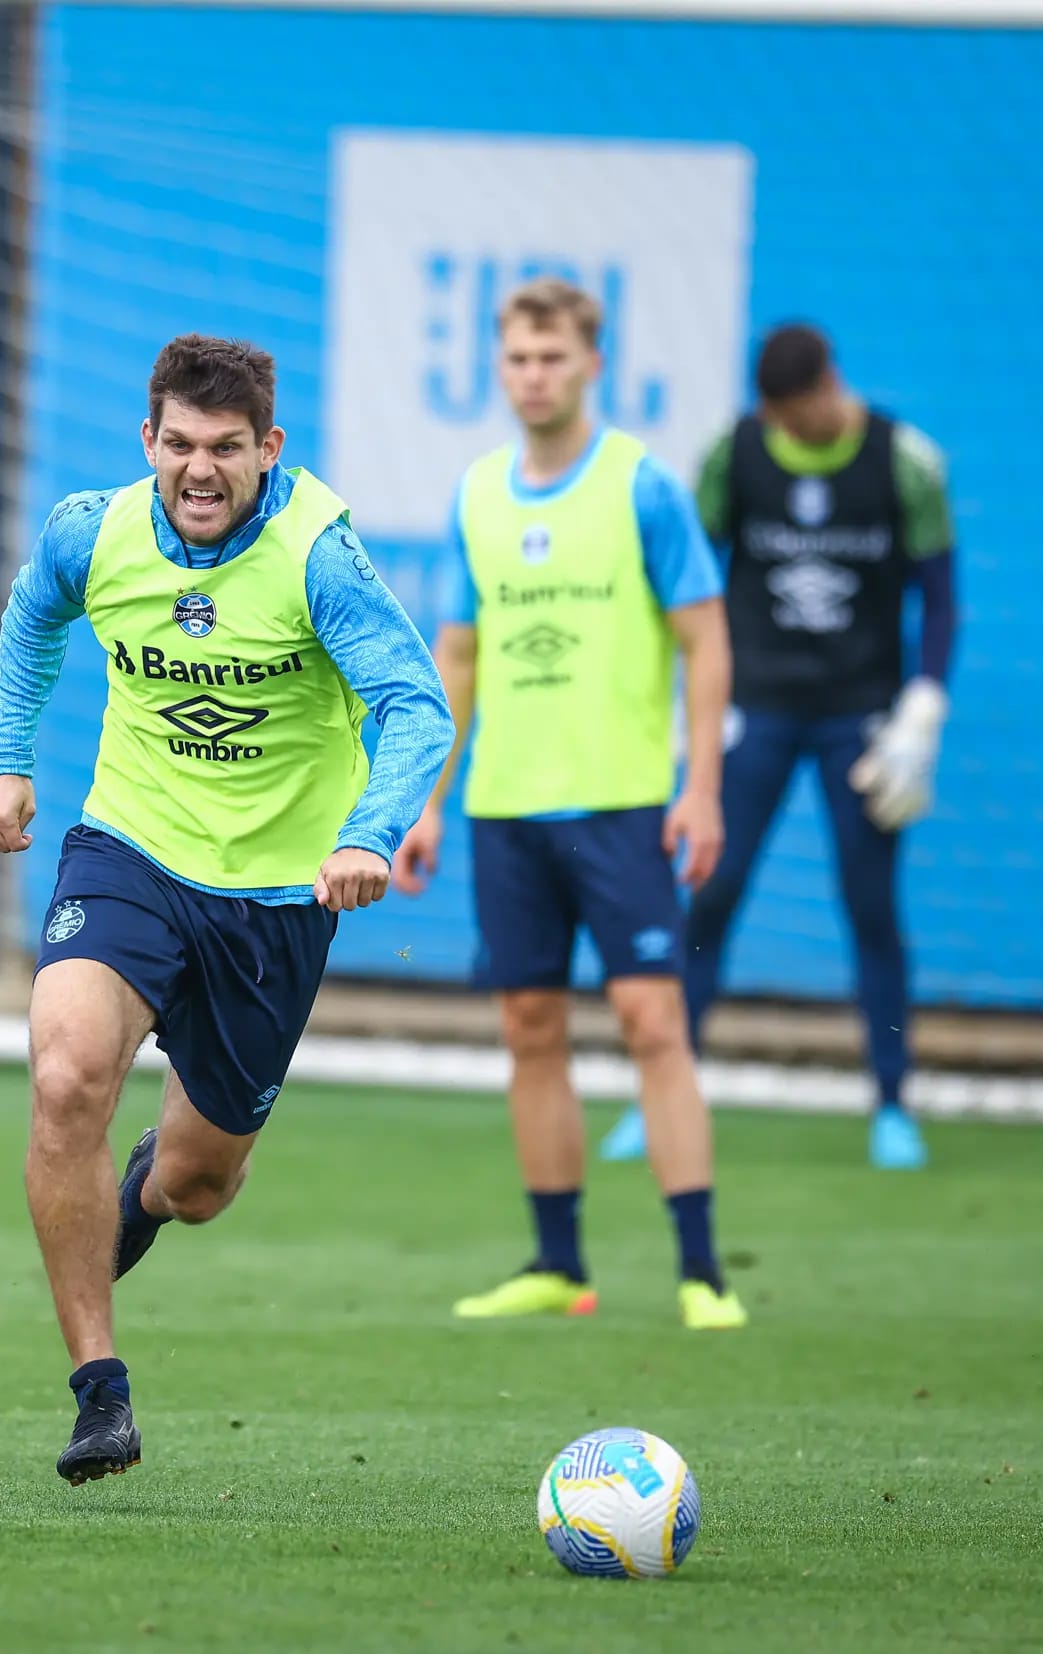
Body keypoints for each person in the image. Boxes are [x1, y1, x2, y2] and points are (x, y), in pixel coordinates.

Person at [0, 334, 453, 1484]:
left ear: (266, 449)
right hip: (128, 851)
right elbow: (34, 615)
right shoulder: (93, 529)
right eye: (177, 445)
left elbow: (414, 703)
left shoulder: (315, 557)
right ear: (147, 442)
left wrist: (365, 834)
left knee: (197, 1186)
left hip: (274, 902)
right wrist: (5, 757)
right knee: (64, 1073)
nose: (199, 470)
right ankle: (99, 1391)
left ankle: (143, 1185)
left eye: (224, 449)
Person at [392, 278, 747, 1332]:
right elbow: (455, 657)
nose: (531, 375)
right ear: (497, 368)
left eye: (550, 357)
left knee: (651, 1021)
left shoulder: (642, 487)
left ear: (590, 363)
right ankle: (557, 1262)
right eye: (515, 359)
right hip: (505, 808)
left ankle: (699, 1271)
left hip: (624, 806)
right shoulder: (477, 495)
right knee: (529, 1026)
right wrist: (423, 803)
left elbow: (705, 638)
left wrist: (701, 788)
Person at [596, 323, 956, 1171]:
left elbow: (941, 601)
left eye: (806, 413)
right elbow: (688, 583)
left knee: (871, 909)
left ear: (832, 382)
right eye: (781, 419)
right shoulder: (737, 453)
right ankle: (662, 1092)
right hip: (753, 712)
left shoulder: (907, 461)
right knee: (707, 896)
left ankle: (894, 1106)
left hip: (862, 719)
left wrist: (923, 710)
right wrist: (692, 706)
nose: (795, 430)